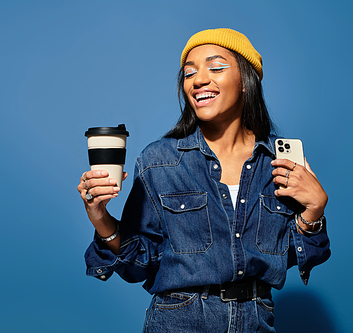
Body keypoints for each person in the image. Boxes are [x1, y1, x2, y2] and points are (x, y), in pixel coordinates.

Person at [77, 28, 330, 332]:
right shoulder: (160, 161)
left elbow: (288, 257)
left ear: (246, 81)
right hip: (179, 321)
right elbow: (138, 264)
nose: (198, 80)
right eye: (189, 73)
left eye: (217, 67)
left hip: (257, 321)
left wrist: (313, 212)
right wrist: (100, 216)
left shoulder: (278, 161)